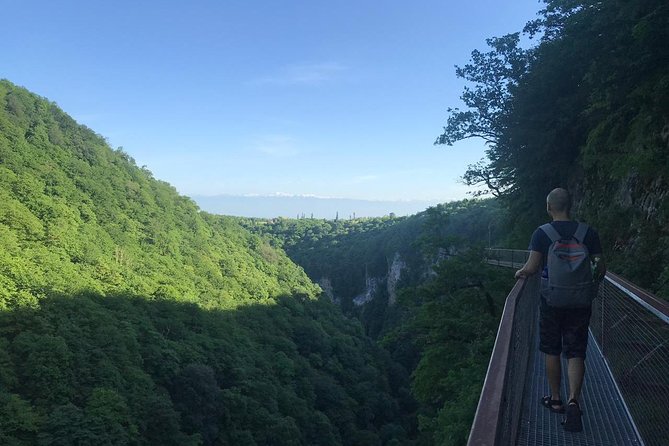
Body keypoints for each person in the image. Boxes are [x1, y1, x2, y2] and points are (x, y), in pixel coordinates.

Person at [515, 188, 606, 432]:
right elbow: (600, 267)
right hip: (580, 300)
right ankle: (574, 399)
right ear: (571, 205)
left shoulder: (542, 234)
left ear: (548, 207)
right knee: (576, 351)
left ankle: (555, 400)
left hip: (552, 301)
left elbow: (532, 266)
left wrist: (521, 272)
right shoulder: (588, 233)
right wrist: (591, 285)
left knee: (551, 349)